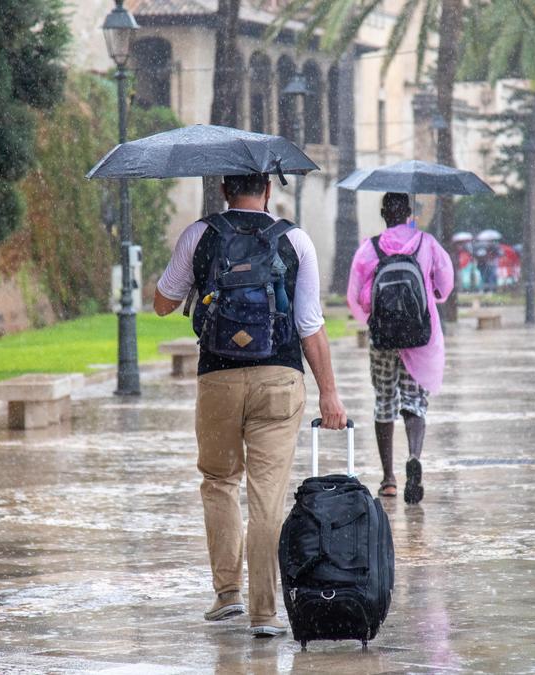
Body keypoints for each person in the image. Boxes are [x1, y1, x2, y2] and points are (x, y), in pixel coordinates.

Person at [153, 172, 347, 639]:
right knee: (267, 497)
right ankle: (265, 613)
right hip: (280, 377)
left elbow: (161, 303)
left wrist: (201, 288)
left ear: (223, 189)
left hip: (218, 377)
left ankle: (227, 596)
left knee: (219, 481)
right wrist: (329, 392)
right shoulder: (294, 241)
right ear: (268, 190)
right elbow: (309, 324)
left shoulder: (200, 235)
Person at [347, 193, 454, 504]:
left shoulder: (370, 247)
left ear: (383, 214)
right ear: (409, 213)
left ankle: (388, 479)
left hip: (383, 337)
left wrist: (376, 315)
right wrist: (430, 293)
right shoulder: (427, 244)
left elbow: (356, 297)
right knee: (414, 401)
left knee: (384, 399)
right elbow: (444, 284)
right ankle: (414, 456)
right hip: (418, 335)